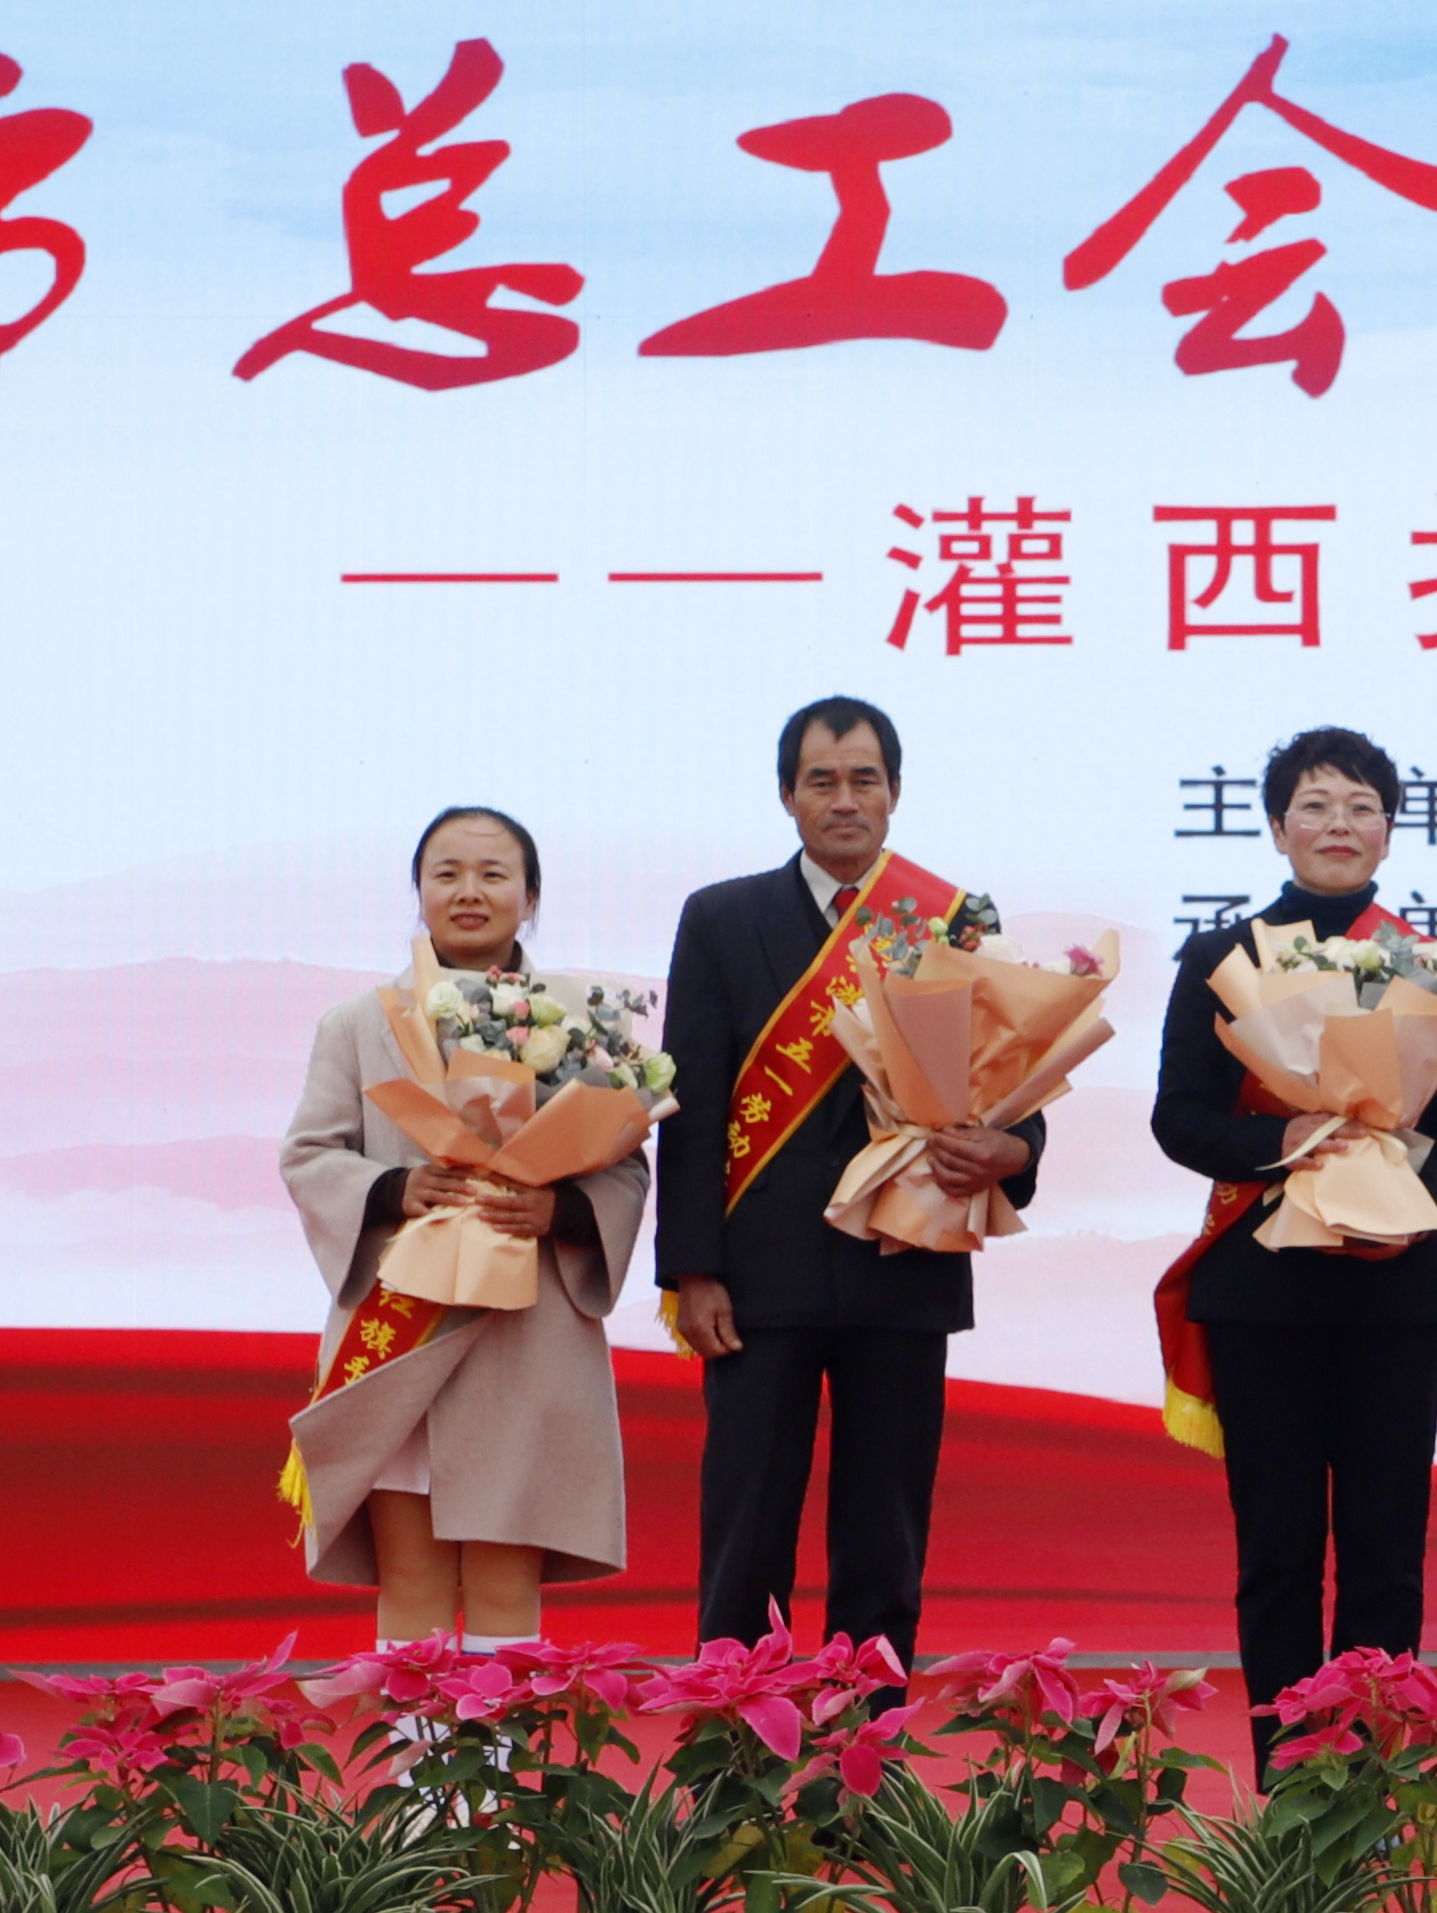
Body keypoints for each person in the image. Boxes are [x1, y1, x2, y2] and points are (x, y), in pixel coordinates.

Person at [658, 696, 1044, 1665]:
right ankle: (735, 1738)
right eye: (821, 780)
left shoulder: (953, 918)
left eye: (863, 779)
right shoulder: (720, 917)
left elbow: (1009, 1073)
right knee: (746, 1523)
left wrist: (1014, 1148)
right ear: (787, 795)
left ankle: (866, 1742)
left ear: (895, 792)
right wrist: (692, 1269)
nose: (844, 799)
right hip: (759, 1270)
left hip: (905, 1253)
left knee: (886, 1531)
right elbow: (691, 1104)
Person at [1152, 728, 1437, 1768]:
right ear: (1276, 827)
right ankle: (1287, 1775)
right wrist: (1287, 1137)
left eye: (1359, 806)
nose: (1337, 824)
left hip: (1397, 1289)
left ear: (1388, 830)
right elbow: (1179, 1116)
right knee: (1279, 1549)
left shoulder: (1430, 968)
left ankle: (1372, 1773)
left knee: (1387, 1550)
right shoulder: (1222, 960)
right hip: (1262, 1290)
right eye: (1314, 804)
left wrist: (1401, 1203)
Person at [282, 806, 650, 1645]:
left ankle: (501, 1742)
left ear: (531, 896)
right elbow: (309, 1154)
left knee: (505, 1574)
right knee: (409, 1573)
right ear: (418, 891)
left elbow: (625, 1165)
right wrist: (395, 1187)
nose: (469, 891)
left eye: (493, 873)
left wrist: (560, 1211)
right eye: (446, 873)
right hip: (403, 1331)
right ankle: (416, 1742)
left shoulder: (586, 1023)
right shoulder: (359, 1022)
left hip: (528, 1335)